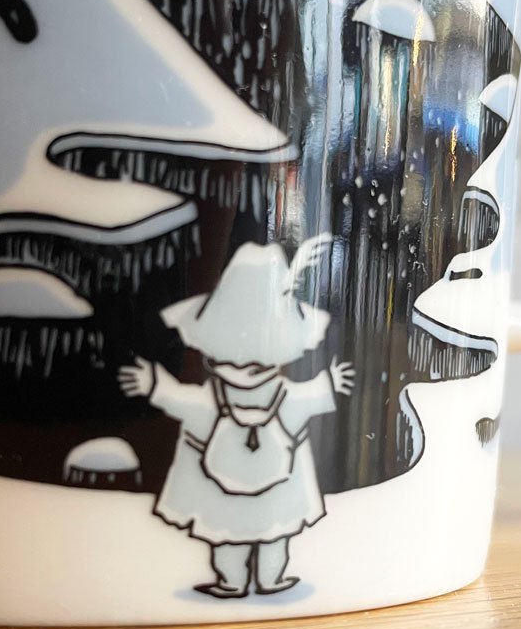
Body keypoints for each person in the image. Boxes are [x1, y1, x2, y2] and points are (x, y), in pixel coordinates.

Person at [119, 237, 355, 598]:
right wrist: (327, 385)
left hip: (234, 482)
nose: (241, 370)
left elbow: (186, 403)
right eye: (226, 362)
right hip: (270, 480)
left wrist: (157, 387)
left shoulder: (225, 396)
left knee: (249, 534)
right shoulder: (260, 395)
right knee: (252, 534)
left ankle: (256, 581)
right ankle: (244, 581)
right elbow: (302, 398)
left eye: (254, 364)